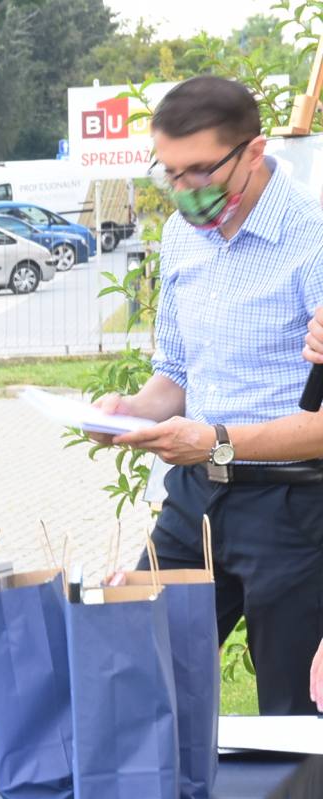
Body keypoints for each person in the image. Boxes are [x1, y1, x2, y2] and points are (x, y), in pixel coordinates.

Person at [94, 76, 323, 715]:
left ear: (253, 151)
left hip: (295, 507)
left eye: (200, 170)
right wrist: (126, 413)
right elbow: (176, 375)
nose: (186, 190)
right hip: (195, 499)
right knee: (132, 677)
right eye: (171, 173)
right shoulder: (180, 235)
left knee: (293, 718)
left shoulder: (314, 237)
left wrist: (216, 440)